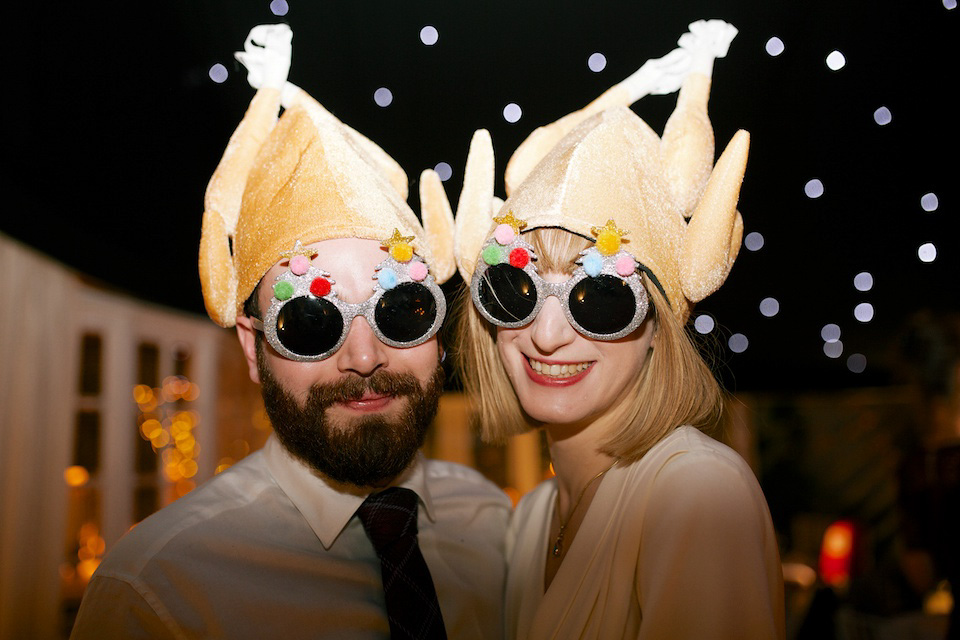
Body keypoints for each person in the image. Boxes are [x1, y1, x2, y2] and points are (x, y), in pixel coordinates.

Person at [71, 24, 510, 640]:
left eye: (400, 308)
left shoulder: (493, 523)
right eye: (311, 322)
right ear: (253, 350)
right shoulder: (159, 591)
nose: (364, 356)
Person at [450, 20, 785, 639]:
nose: (546, 334)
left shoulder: (697, 496)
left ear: (662, 323)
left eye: (599, 297)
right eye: (516, 290)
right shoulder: (532, 525)